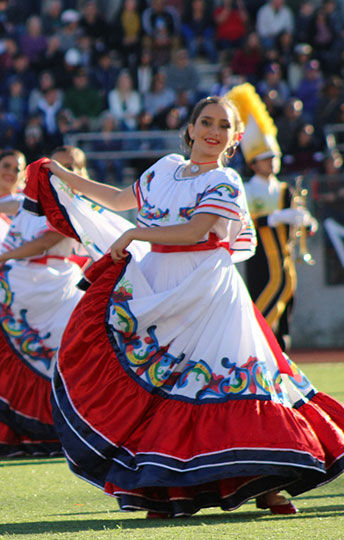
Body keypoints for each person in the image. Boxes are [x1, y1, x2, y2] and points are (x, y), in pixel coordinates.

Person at [35, 95, 344, 517]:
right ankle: (168, 488)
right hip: (158, 285)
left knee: (233, 380)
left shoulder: (226, 181)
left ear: (235, 139)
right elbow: (121, 199)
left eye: (223, 126)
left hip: (207, 289)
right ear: (191, 128)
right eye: (206, 122)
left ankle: (271, 481)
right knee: (168, 387)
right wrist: (65, 176)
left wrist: (135, 237)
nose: (213, 132)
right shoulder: (164, 168)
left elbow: (200, 232)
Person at [0, 146, 92, 455]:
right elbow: (0, 204)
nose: (63, 172)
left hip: (56, 287)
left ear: (81, 173)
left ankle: (59, 433)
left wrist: (1, 257)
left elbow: (47, 240)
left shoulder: (77, 206)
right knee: (12, 362)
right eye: (57, 167)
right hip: (21, 286)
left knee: (56, 362)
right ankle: (18, 437)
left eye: (71, 167)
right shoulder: (33, 203)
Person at [228, 84, 317, 351]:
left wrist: (307, 223)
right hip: (260, 261)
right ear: (253, 162)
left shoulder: (284, 189)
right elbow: (243, 223)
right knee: (264, 305)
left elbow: (298, 221)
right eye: (266, 158)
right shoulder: (246, 188)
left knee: (285, 314)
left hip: (285, 257)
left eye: (275, 157)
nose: (272, 162)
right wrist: (275, 217)